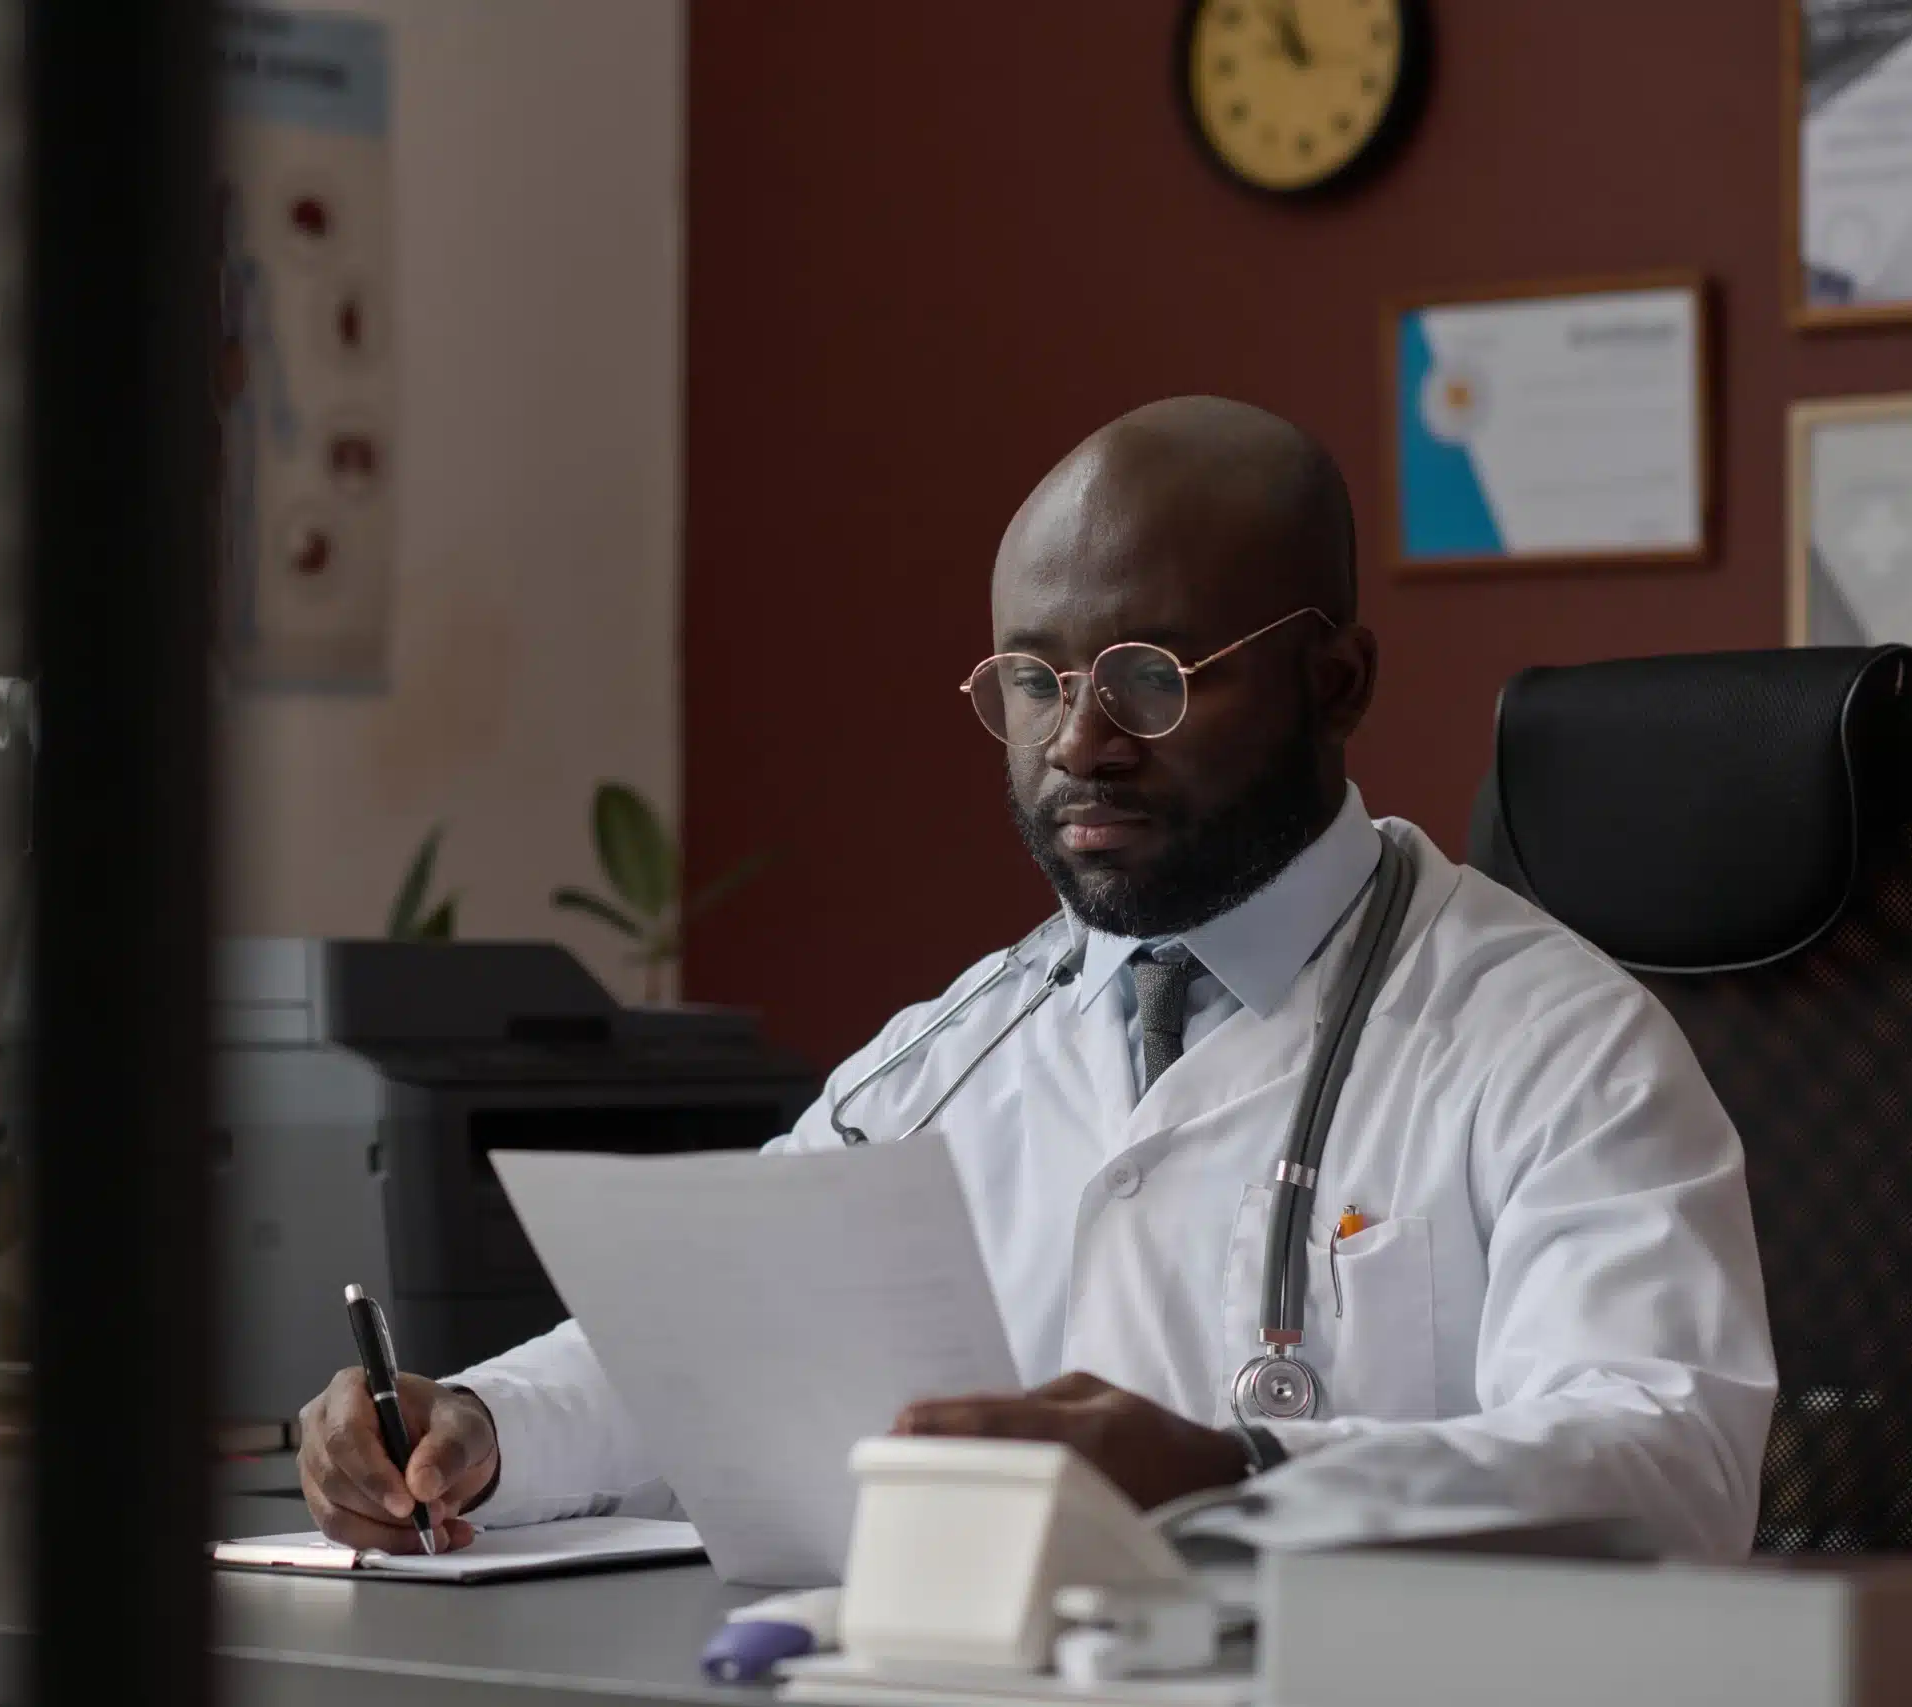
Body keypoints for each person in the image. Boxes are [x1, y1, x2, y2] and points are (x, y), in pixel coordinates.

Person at [296, 397, 1778, 1561]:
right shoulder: (950, 1054)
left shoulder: (1556, 1042)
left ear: (1337, 682)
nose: (1078, 742)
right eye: (1032, 680)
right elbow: (710, 1356)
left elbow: (1671, 1458)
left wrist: (1239, 1470)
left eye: (1151, 678)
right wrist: (479, 1423)